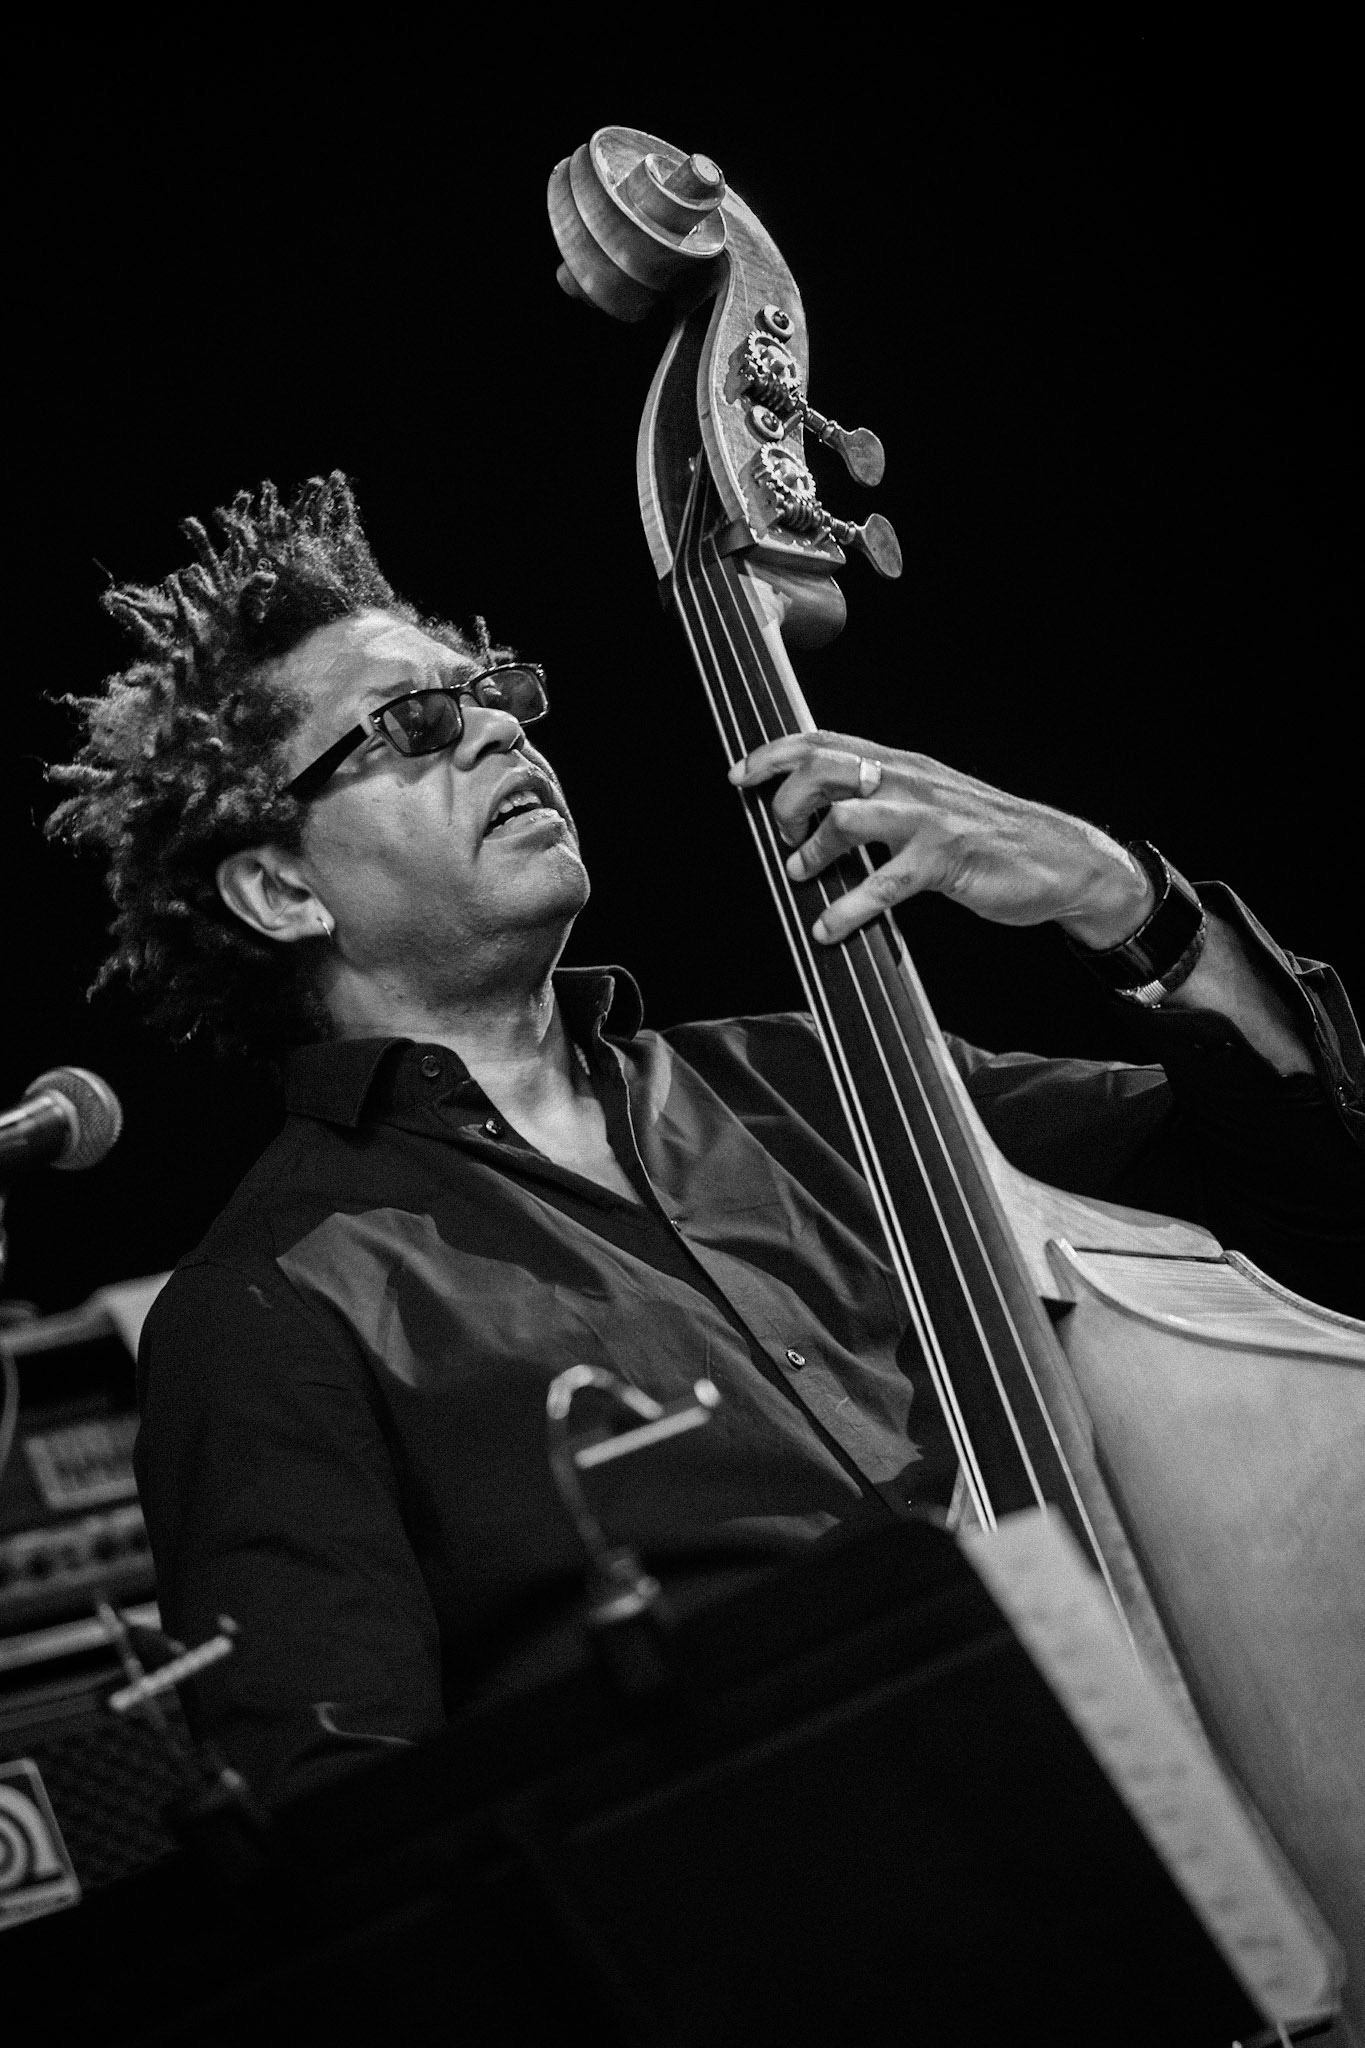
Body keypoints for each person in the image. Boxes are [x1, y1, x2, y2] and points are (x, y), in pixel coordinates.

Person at [49, 474, 1364, 1806]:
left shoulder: (824, 1074)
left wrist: (1124, 904)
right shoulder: (271, 1307)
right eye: (419, 722)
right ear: (279, 887)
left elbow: (1315, 1201)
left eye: (497, 691)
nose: (502, 730)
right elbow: (358, 1839)